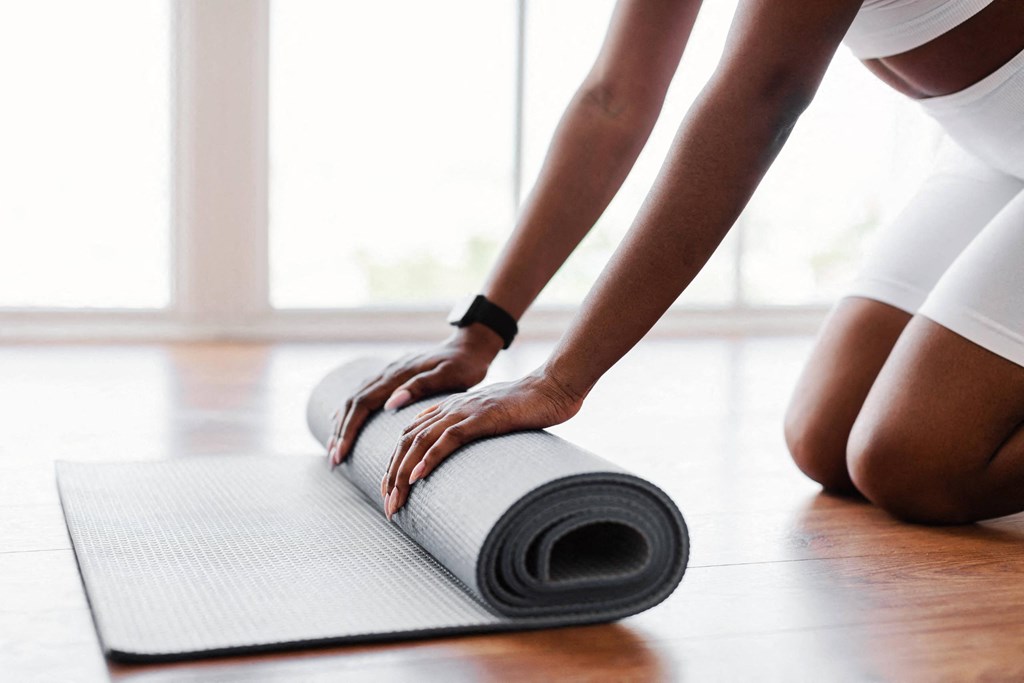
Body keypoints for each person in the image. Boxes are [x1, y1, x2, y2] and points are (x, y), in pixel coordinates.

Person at [327, 0, 1024, 525]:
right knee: (825, 439)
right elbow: (613, 98)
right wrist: (481, 331)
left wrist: (560, 380)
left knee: (913, 464)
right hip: (986, 145)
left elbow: (759, 100)